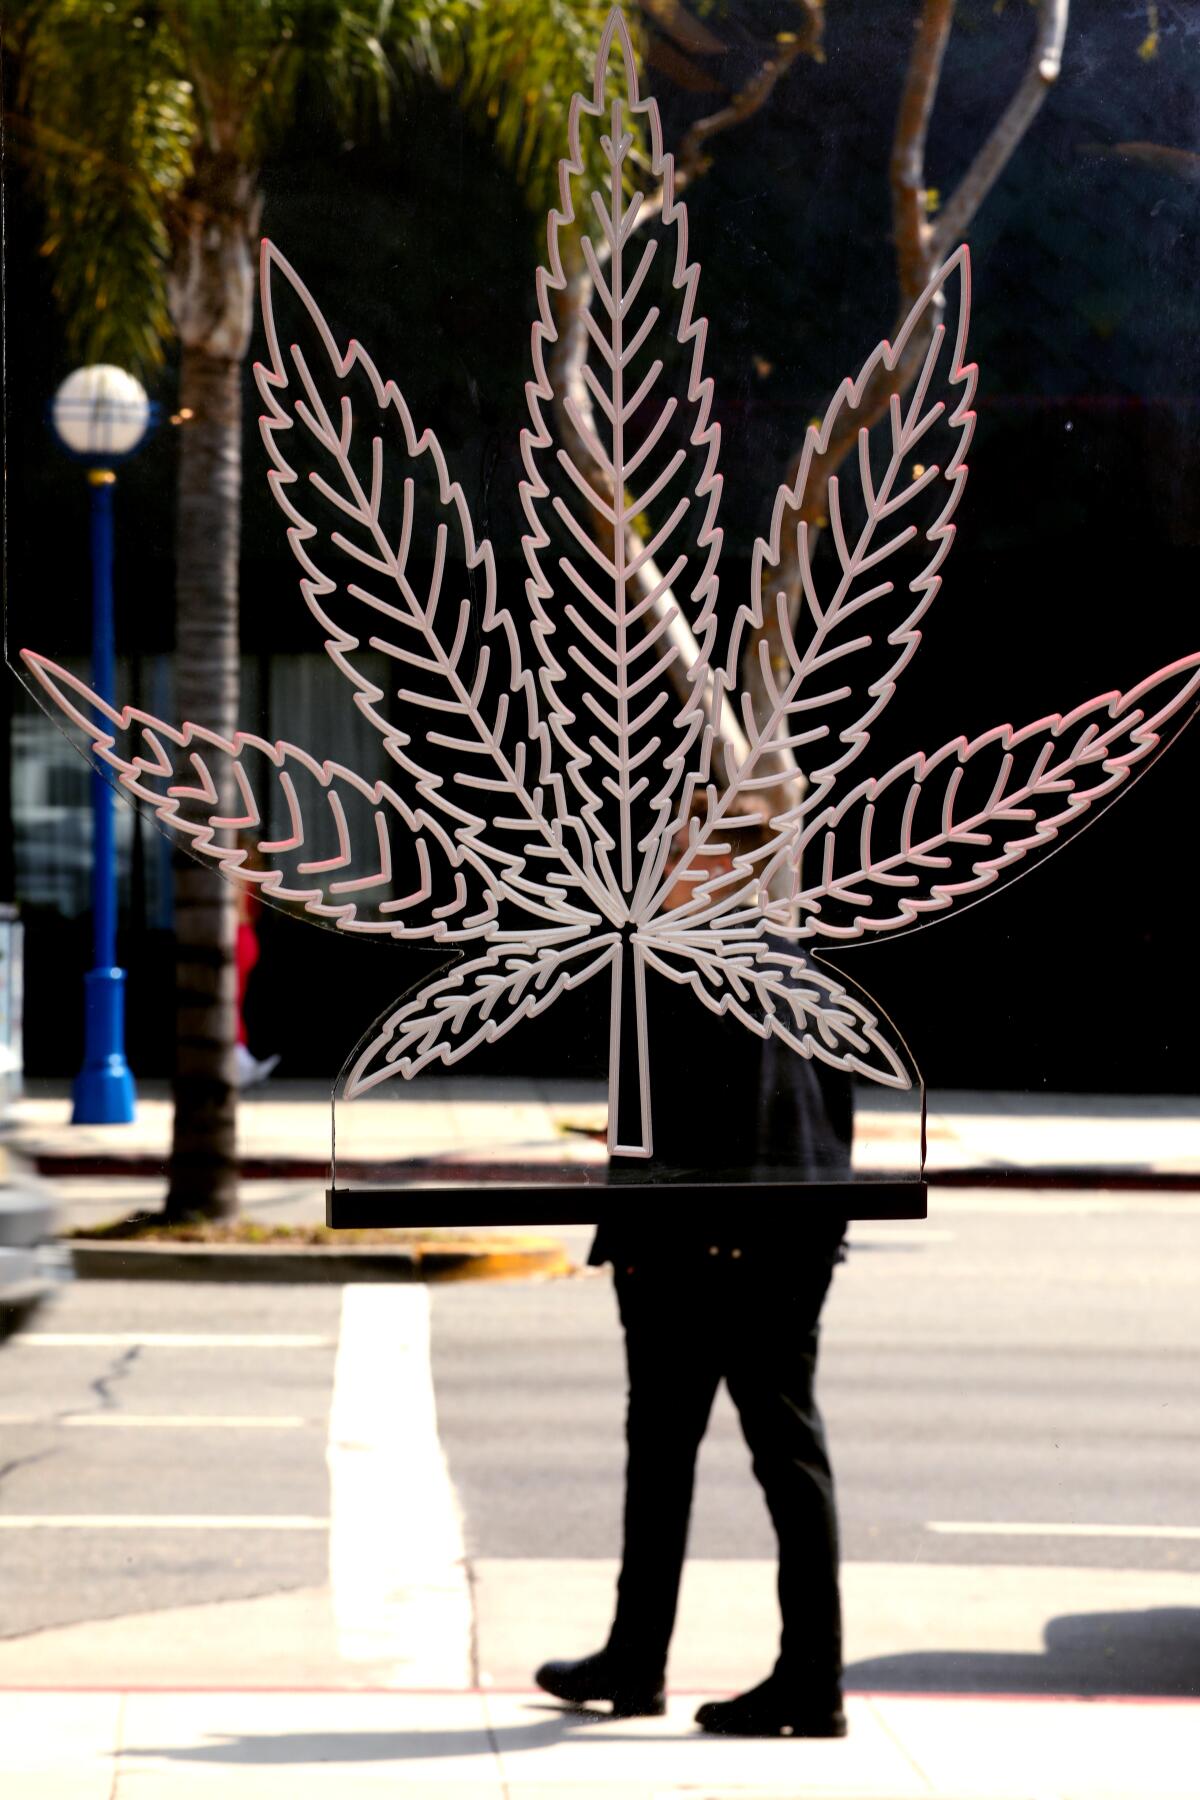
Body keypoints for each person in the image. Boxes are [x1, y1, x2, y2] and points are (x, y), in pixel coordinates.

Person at [535, 815, 853, 1738]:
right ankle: (769, 1669)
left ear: (722, 871)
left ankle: (667, 1661)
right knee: (782, 1461)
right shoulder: (799, 969)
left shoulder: (670, 972)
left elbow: (649, 1132)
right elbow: (831, 1120)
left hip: (689, 1255)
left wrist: (632, 1242)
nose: (659, 870)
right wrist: (818, 1243)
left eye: (679, 855)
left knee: (675, 1457)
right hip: (783, 1250)